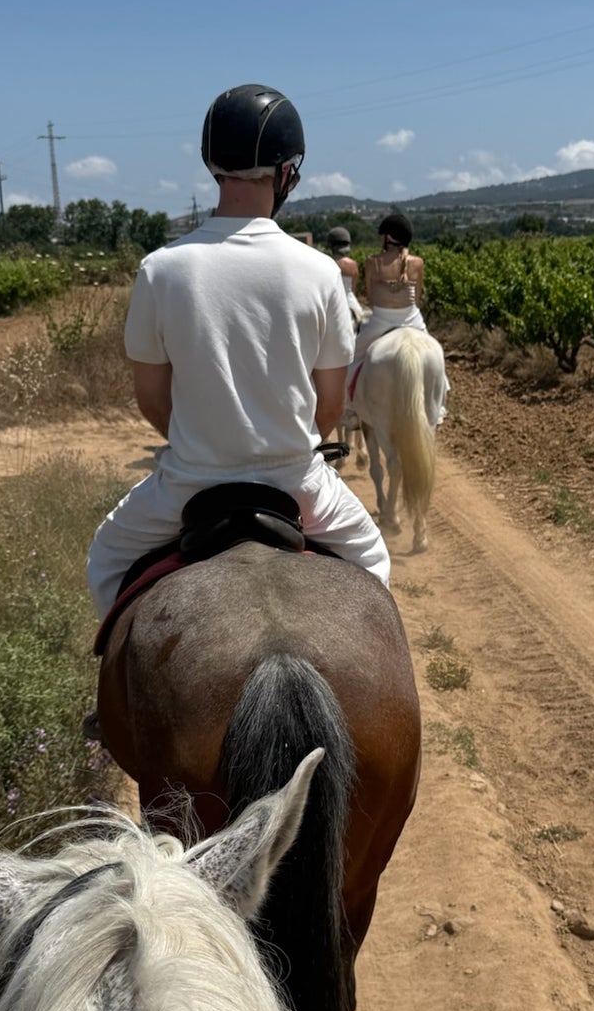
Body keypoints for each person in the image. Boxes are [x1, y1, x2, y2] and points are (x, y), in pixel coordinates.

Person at [86, 84, 391, 622]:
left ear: (212, 163)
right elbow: (328, 407)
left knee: (106, 560)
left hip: (189, 485)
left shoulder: (161, 269)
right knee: (373, 565)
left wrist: (213, 444)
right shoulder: (319, 272)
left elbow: (154, 402)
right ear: (286, 172)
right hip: (299, 486)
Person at [352, 210, 447, 426]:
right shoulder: (418, 263)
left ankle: (349, 410)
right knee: (437, 359)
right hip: (412, 319)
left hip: (381, 321)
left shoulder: (372, 262)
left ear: (387, 237)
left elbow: (370, 296)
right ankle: (439, 406)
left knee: (351, 360)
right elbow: (419, 295)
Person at [326, 225, 368, 327]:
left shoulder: (326, 262)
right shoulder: (353, 265)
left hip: (330, 303)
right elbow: (353, 290)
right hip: (349, 303)